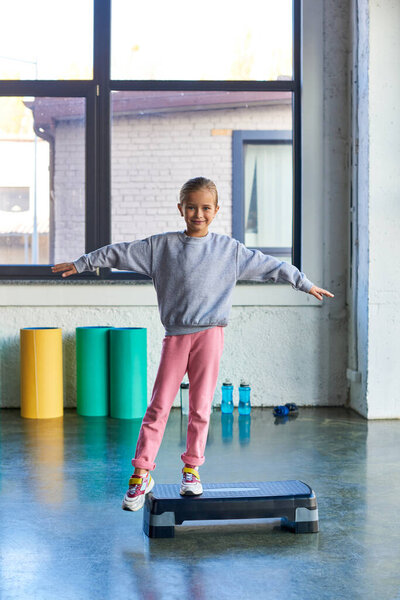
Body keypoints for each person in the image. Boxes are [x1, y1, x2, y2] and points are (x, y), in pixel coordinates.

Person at [51, 176, 334, 511]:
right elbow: (119, 252)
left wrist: (304, 283)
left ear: (215, 211)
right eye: (191, 207)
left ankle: (191, 469)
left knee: (200, 407)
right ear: (181, 209)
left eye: (205, 208)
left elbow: (272, 266)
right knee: (158, 407)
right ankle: (142, 474)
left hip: (210, 336)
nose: (198, 214)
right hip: (176, 337)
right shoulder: (161, 248)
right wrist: (82, 263)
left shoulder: (229, 251)